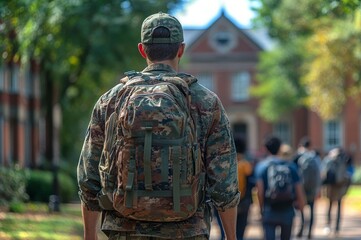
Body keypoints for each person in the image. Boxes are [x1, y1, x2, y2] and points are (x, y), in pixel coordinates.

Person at [77, 12, 240, 240]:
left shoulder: (111, 100)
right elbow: (225, 182)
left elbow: (88, 177)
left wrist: (89, 236)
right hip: (187, 231)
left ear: (142, 50)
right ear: (181, 49)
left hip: (124, 229)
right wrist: (231, 236)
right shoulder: (205, 102)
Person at [255, 136, 306, 240]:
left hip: (269, 209)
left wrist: (261, 210)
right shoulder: (291, 166)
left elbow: (259, 192)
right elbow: (299, 190)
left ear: (265, 149)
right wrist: (301, 207)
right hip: (287, 210)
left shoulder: (261, 167)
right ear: (280, 148)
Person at [292, 137, 322, 239]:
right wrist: (319, 189)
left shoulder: (297, 156)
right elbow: (319, 174)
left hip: (301, 188)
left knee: (301, 210)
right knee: (312, 210)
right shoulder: (315, 157)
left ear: (301, 145)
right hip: (313, 188)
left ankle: (301, 229)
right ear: (310, 146)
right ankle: (310, 232)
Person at [321, 147, 354, 236]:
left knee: (330, 206)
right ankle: (337, 227)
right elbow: (350, 172)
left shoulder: (328, 159)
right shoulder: (344, 159)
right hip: (340, 186)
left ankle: (328, 225)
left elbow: (323, 172)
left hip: (330, 186)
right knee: (339, 206)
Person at [234, 136, 254, 240]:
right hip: (244, 201)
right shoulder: (246, 165)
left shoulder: (229, 164)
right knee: (240, 232)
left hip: (229, 203)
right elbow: (251, 184)